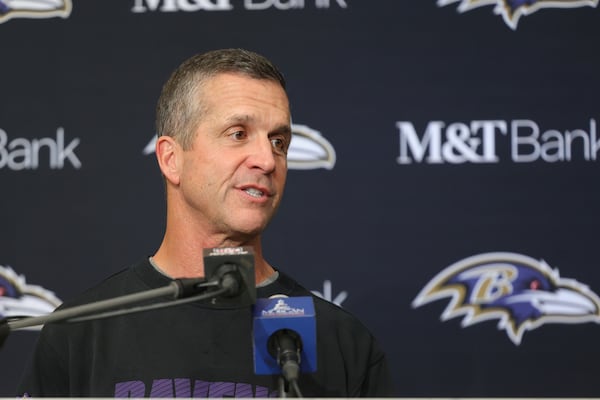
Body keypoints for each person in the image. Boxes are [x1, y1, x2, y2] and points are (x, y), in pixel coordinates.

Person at [17, 48, 394, 397]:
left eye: (279, 141)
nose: (267, 159)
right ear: (170, 159)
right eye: (238, 134)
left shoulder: (343, 342)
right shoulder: (82, 332)